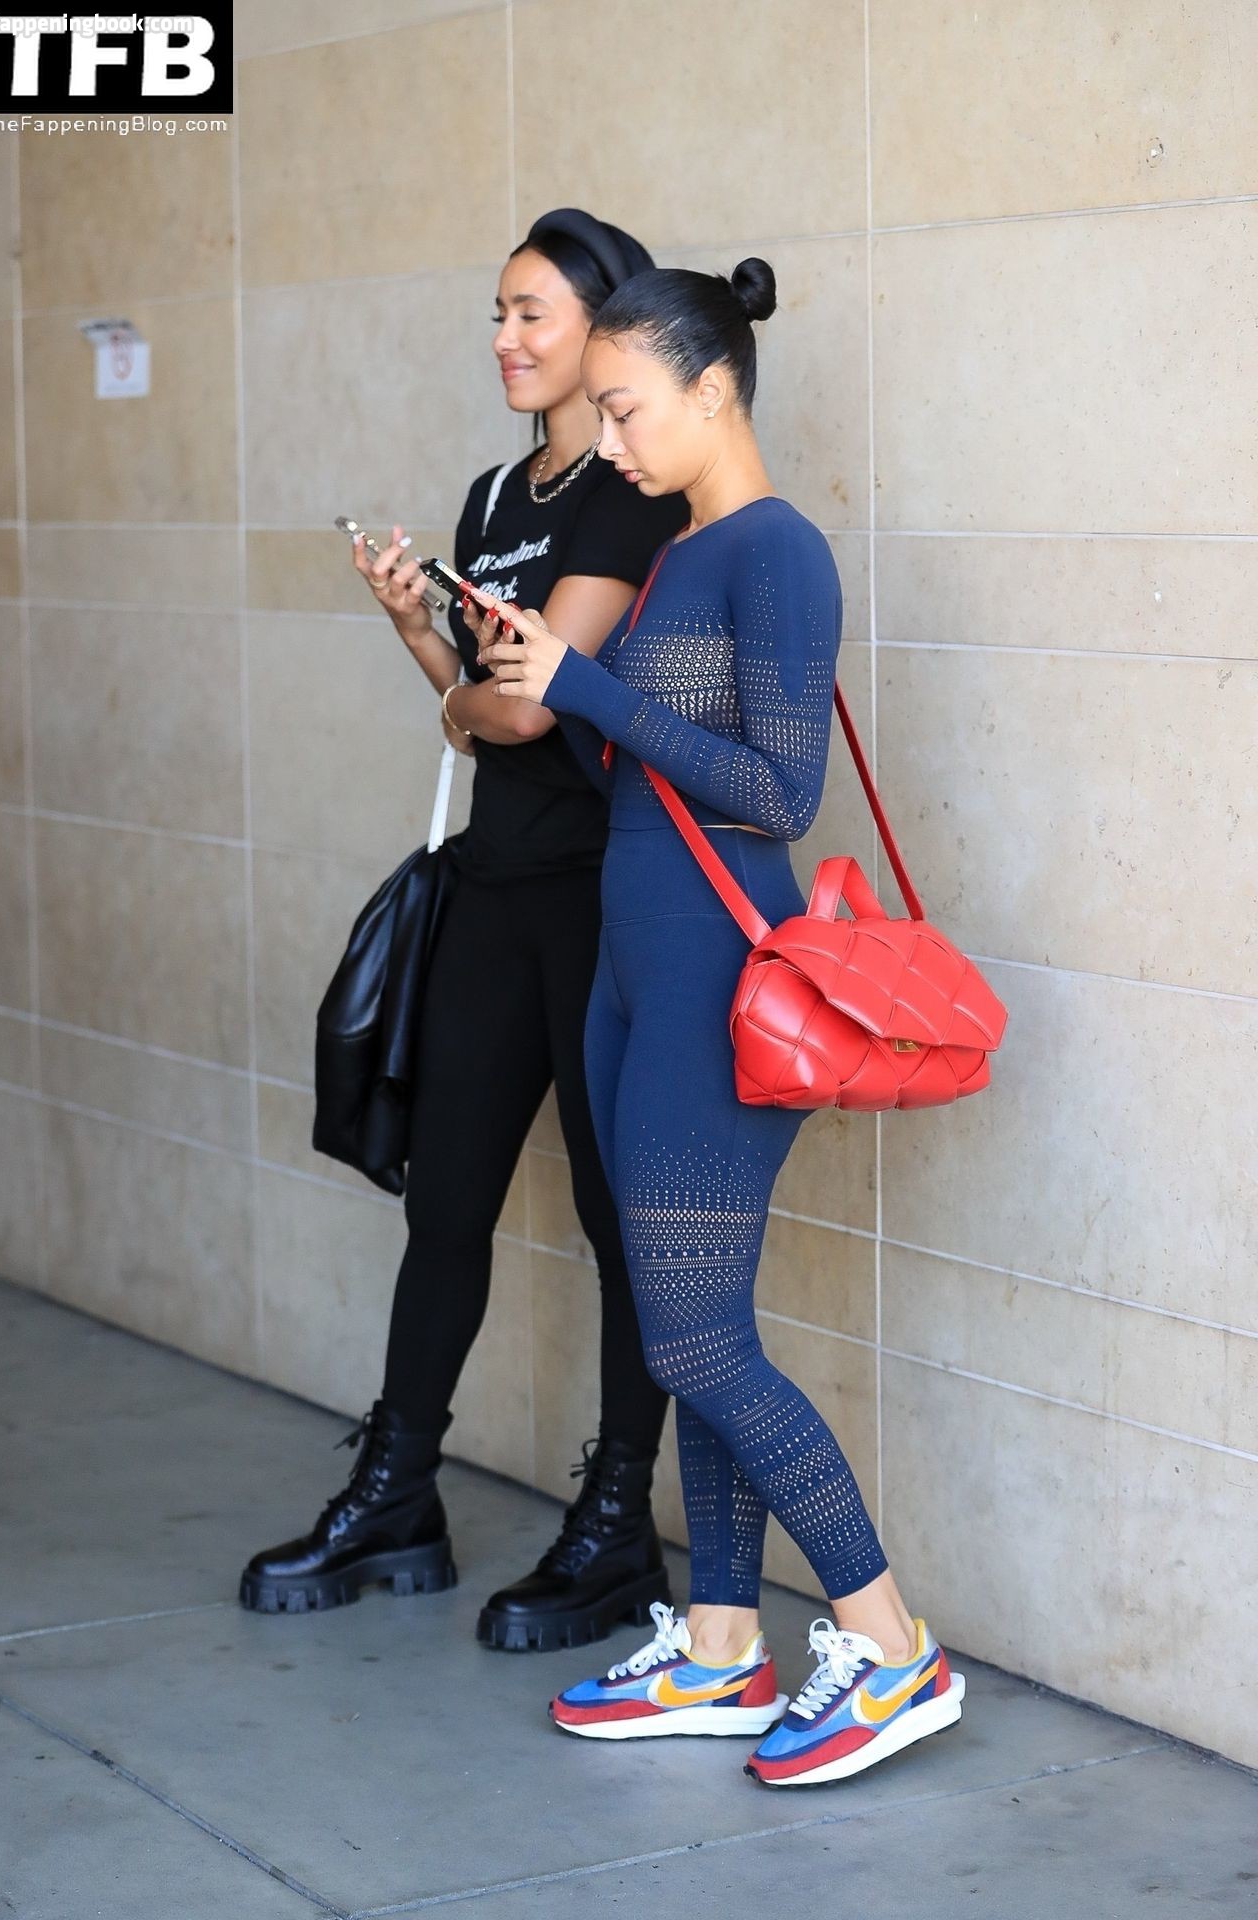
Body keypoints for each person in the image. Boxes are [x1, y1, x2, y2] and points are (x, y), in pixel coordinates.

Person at [472, 258, 965, 1782]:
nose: (611, 438)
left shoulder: (778, 553)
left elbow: (778, 791)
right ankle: (725, 1648)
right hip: (634, 976)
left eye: (627, 409)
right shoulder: (678, 554)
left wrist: (592, 686)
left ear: (713, 389)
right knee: (691, 1330)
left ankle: (890, 1645)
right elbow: (630, 765)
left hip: (714, 982)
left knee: (693, 1337)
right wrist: (518, 670)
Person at [240, 211, 687, 1653]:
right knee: (445, 1205)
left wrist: (468, 695)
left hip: (605, 901)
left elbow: (535, 707)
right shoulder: (495, 496)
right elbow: (484, 696)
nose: (504, 339)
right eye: (497, 312)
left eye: (531, 313)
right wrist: (418, 632)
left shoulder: (630, 493)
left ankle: (617, 1526)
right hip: (496, 889)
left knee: (620, 1225)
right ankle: (397, 1497)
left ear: (603, 328)